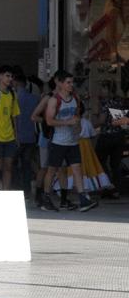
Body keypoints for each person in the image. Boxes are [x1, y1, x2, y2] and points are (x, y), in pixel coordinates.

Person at [39, 70, 98, 212]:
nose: (71, 85)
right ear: (60, 83)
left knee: (77, 168)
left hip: (72, 141)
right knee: (52, 170)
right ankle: (46, 197)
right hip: (58, 141)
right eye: (68, 82)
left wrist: (77, 128)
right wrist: (68, 122)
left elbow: (76, 117)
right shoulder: (54, 100)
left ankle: (83, 198)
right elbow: (49, 121)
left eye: (72, 82)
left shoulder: (75, 99)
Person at [13, 74, 42, 202]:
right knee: (27, 164)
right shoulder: (35, 98)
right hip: (31, 136)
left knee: (12, 164)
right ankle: (26, 191)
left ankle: (14, 189)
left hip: (15, 136)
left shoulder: (13, 98)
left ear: (15, 83)